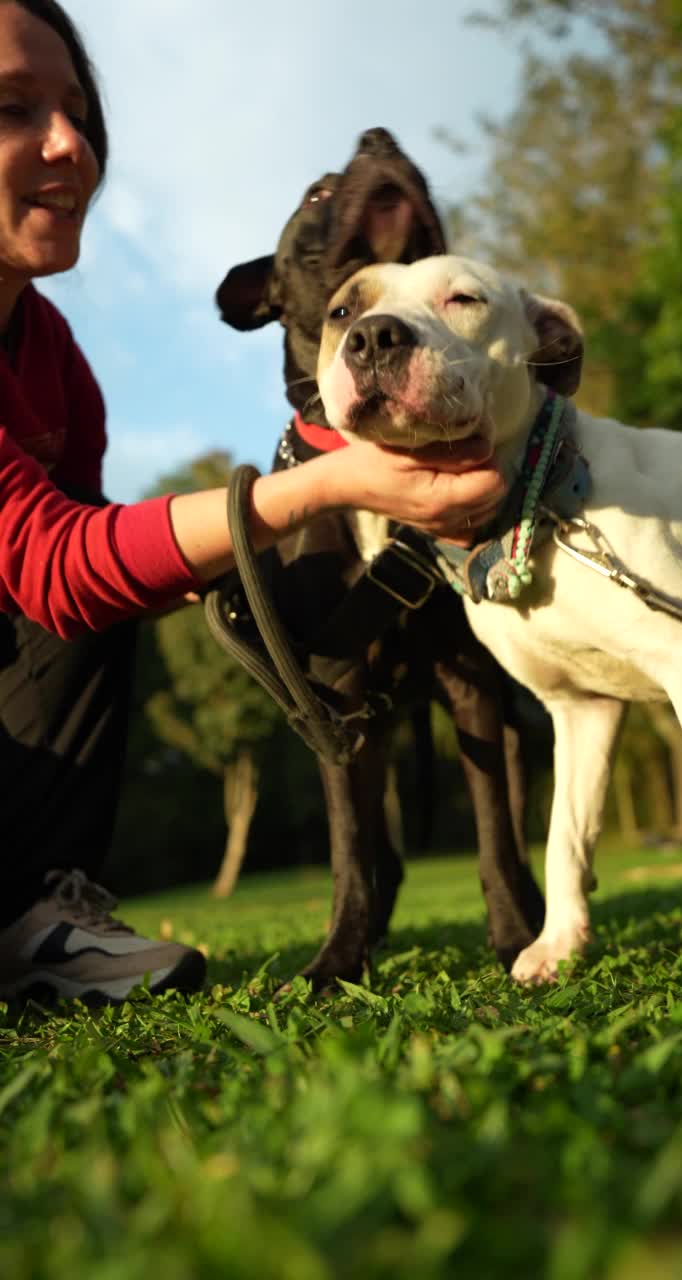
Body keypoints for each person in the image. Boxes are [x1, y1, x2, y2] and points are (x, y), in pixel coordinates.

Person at [0, 0, 507, 1004]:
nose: (69, 143)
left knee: (120, 575)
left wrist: (228, 579)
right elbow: (53, 563)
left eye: (78, 111)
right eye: (13, 108)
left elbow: (87, 587)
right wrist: (312, 489)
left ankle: (32, 920)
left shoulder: (55, 358)